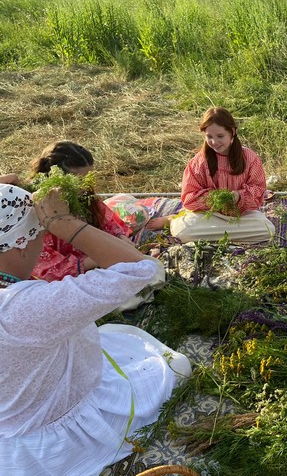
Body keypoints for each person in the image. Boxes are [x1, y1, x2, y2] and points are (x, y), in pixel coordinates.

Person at [0, 184, 191, 475]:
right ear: (22, 243)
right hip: (52, 443)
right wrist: (66, 224)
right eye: (40, 233)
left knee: (114, 334)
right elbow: (142, 269)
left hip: (11, 428)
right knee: (176, 366)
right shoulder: (26, 307)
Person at [30, 141, 133, 281]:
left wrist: (121, 239)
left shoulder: (84, 196)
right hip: (68, 277)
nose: (85, 187)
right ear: (54, 178)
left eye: (88, 179)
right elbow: (45, 270)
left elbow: (107, 223)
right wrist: (103, 255)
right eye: (79, 181)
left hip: (97, 257)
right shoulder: (36, 212)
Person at [169, 107, 274, 243]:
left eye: (220, 136)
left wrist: (238, 196)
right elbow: (188, 198)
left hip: (241, 216)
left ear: (232, 132)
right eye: (209, 137)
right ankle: (173, 221)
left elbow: (258, 190)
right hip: (209, 216)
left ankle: (216, 236)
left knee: (268, 230)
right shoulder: (199, 162)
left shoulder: (250, 158)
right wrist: (213, 198)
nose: (214, 142)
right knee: (182, 232)